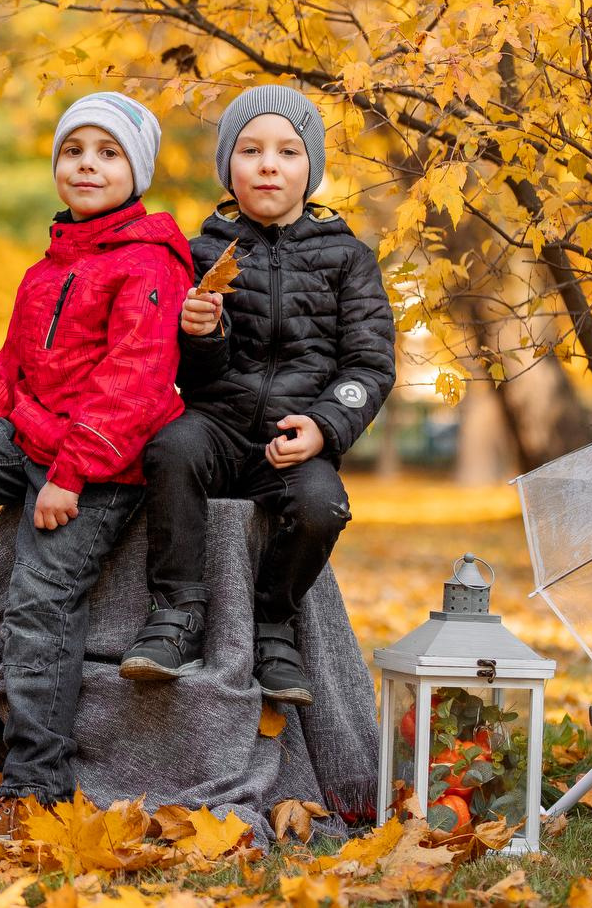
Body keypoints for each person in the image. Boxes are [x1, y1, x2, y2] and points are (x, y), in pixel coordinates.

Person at [0, 92, 193, 842]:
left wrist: (72, 476)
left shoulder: (149, 265)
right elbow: (16, 378)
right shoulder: (45, 269)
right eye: (74, 149)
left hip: (102, 466)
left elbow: (133, 389)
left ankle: (35, 787)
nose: (87, 163)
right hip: (30, 441)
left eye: (108, 152)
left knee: (40, 600)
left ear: (136, 169)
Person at [120, 85, 395, 708]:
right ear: (228, 167)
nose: (268, 164)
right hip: (216, 421)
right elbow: (184, 369)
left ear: (311, 169)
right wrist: (202, 332)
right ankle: (177, 611)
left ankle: (274, 624)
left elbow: (370, 363)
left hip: (294, 434)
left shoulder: (346, 258)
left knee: (322, 505)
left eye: (288, 151)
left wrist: (326, 426)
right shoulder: (199, 254)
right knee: (171, 450)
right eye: (250, 150)